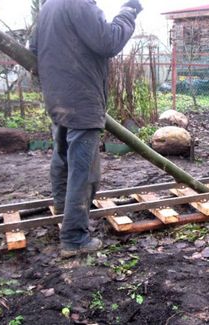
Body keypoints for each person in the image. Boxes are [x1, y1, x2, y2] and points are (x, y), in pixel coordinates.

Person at [30, 0, 143, 258]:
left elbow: (33, 48)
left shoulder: (48, 5)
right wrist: (128, 12)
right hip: (82, 100)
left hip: (58, 97)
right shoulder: (78, 2)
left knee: (62, 158)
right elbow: (109, 42)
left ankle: (63, 210)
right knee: (84, 171)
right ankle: (74, 238)